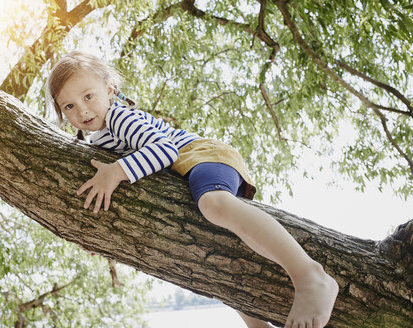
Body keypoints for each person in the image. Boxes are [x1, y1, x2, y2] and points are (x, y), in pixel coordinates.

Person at [46, 51, 339, 328]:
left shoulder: (119, 118)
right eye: (69, 106)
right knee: (219, 267)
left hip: (199, 154)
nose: (82, 110)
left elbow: (164, 150)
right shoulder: (95, 140)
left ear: (109, 91)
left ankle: (309, 275)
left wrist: (116, 172)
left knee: (214, 204)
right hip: (188, 172)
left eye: (88, 96)